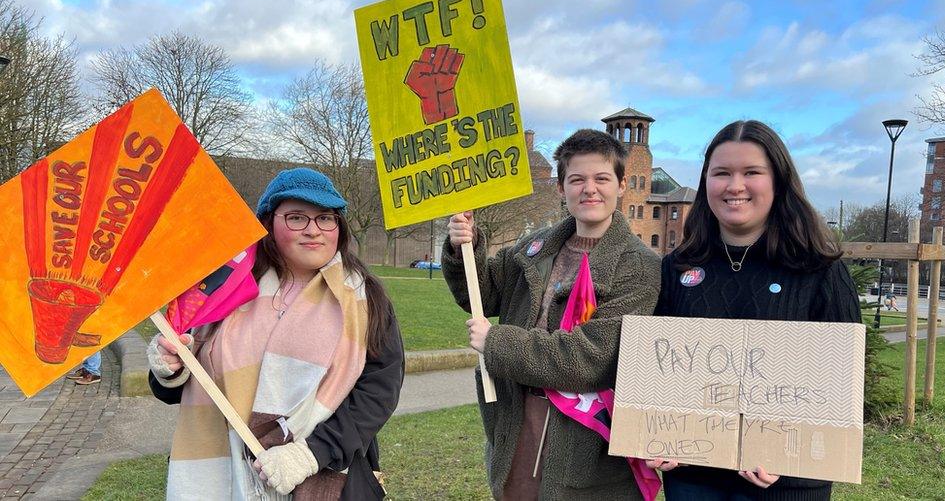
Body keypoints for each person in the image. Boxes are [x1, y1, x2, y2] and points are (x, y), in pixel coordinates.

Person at [147, 168, 404, 500]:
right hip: (223, 476)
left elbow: (378, 392)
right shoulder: (224, 287)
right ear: (268, 224)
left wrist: (309, 454)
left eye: (326, 218)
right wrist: (170, 367)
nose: (314, 231)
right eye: (297, 218)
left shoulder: (365, 298)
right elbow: (184, 382)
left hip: (326, 477)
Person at [647, 120, 861, 500]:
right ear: (706, 182)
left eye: (752, 173)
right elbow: (656, 367)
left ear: (777, 181)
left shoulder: (820, 269)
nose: (735, 186)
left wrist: (787, 453)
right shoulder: (677, 267)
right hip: (695, 477)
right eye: (722, 173)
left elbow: (841, 380)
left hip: (788, 481)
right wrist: (655, 434)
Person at [443, 129, 662, 499]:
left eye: (601, 178)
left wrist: (496, 341)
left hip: (586, 437)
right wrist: (464, 246)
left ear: (622, 185)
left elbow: (591, 359)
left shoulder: (640, 267)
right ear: (561, 189)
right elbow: (482, 294)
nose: (589, 189)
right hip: (517, 419)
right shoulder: (535, 247)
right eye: (577, 179)